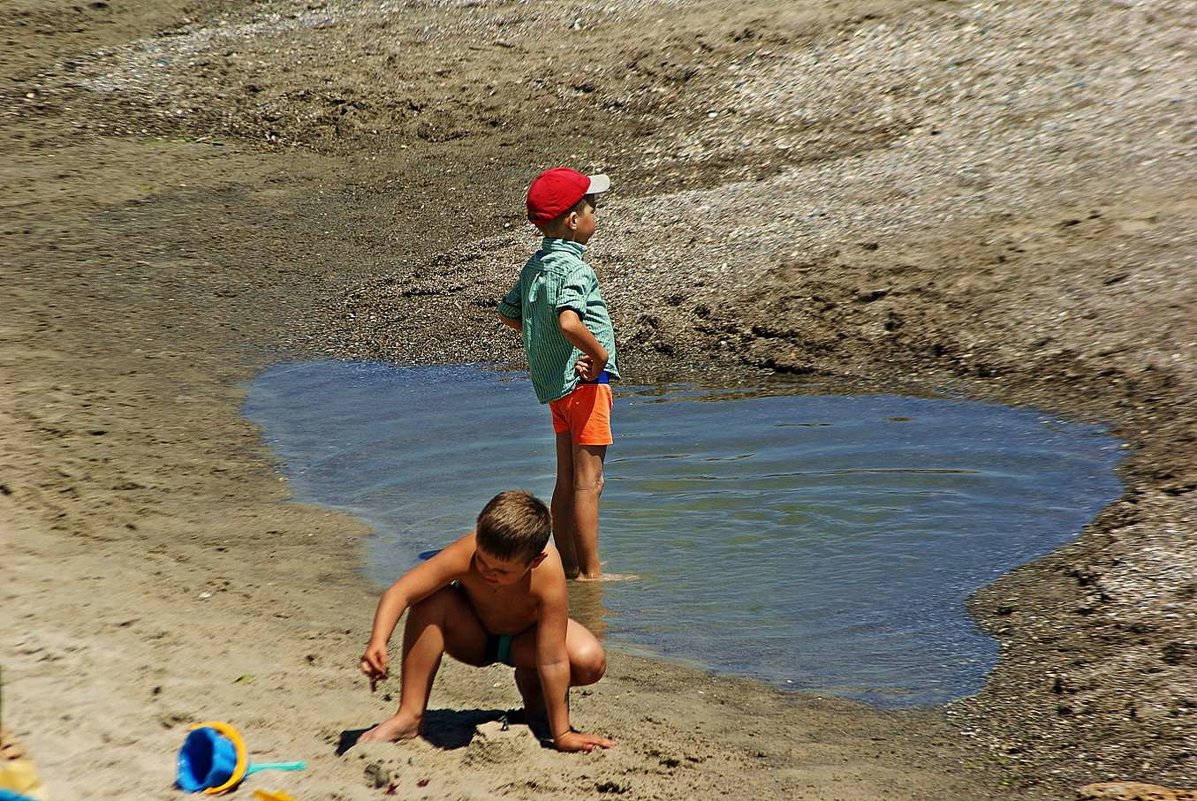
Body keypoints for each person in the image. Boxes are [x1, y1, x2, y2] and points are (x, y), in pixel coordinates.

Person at [358, 490, 615, 753]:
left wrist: (562, 733)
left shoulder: (549, 574)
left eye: (502, 570)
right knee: (430, 599)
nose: (487, 572)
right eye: (482, 560)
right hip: (473, 638)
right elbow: (400, 592)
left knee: (589, 660)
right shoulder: (467, 550)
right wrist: (378, 640)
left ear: (535, 561)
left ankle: (534, 693)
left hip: (525, 644)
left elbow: (552, 657)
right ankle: (409, 716)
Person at [497, 167, 619, 581]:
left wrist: (544, 342)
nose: (596, 216)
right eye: (592, 208)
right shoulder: (578, 270)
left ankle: (566, 566)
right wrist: (597, 354)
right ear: (573, 220)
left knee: (566, 481)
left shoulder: (535, 266)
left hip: (555, 387)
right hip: (586, 384)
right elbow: (569, 321)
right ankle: (592, 573)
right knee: (591, 483)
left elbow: (511, 314)